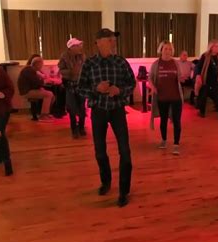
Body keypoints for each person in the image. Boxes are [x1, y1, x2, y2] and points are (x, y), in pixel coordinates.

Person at [77, 28, 135, 207]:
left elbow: (131, 83)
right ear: (99, 42)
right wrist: (96, 89)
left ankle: (124, 191)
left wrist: (120, 90)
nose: (113, 42)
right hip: (99, 111)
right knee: (100, 151)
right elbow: (80, 88)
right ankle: (106, 181)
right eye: (109, 39)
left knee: (125, 152)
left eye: (113, 40)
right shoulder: (90, 64)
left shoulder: (120, 62)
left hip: (117, 110)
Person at [149, 41, 184, 155]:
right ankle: (164, 141)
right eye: (165, 49)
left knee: (177, 121)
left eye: (169, 49)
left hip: (176, 97)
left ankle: (176, 144)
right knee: (163, 120)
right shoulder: (156, 64)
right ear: (161, 50)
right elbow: (150, 79)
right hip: (162, 97)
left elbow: (179, 77)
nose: (168, 51)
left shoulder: (176, 63)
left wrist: (181, 78)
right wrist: (153, 87)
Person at [58, 38, 86, 138]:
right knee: (71, 108)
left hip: (81, 84)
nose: (80, 47)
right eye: (78, 45)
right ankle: (74, 129)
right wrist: (71, 72)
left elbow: (85, 68)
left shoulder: (82, 56)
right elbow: (61, 70)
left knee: (82, 107)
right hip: (69, 84)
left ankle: (81, 127)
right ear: (72, 47)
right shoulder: (64, 56)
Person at [195, 39, 218, 121]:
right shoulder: (205, 56)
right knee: (203, 96)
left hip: (217, 81)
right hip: (206, 80)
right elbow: (198, 67)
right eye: (216, 46)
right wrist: (198, 75)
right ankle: (202, 112)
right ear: (211, 47)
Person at [17, 55, 55, 121]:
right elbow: (37, 82)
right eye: (41, 65)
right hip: (26, 92)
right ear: (37, 64)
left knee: (52, 95)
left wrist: (40, 86)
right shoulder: (29, 70)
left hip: (29, 90)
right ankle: (43, 116)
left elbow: (35, 83)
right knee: (49, 94)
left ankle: (46, 113)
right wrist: (44, 81)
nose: (41, 66)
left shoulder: (30, 69)